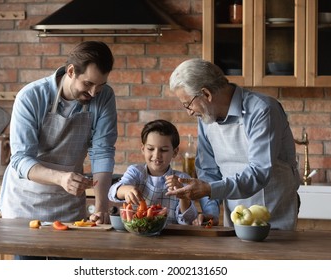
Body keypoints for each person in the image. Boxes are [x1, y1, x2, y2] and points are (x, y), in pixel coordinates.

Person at [0, 41, 117, 259]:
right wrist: (61, 178)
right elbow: (21, 159)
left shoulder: (104, 96)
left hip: (68, 206)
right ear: (71, 71)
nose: (94, 92)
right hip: (26, 204)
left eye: (99, 86)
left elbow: (102, 151)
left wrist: (101, 207)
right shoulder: (31, 96)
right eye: (88, 84)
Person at [166, 58, 300, 230]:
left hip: (275, 214)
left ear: (206, 94)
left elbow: (259, 172)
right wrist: (211, 210)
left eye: (188, 104)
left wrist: (209, 189)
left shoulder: (262, 110)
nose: (189, 112)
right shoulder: (207, 117)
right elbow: (208, 171)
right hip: (235, 217)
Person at [109, 119, 206, 225]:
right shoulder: (136, 172)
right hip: (138, 235)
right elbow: (113, 192)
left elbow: (189, 220)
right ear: (143, 149)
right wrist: (126, 190)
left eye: (163, 150)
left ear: (175, 152)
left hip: (173, 238)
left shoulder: (182, 178)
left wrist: (182, 195)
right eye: (150, 149)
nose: (156, 155)